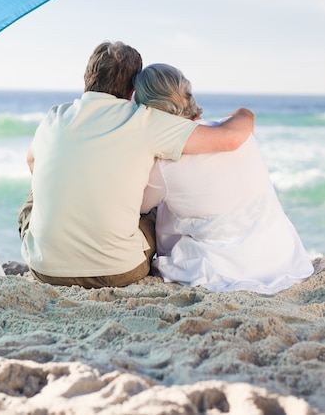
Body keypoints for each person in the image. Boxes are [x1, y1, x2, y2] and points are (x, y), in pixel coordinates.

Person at [19, 41, 254, 289]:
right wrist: (245, 114)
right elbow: (231, 138)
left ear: (86, 77)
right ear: (133, 89)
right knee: (153, 209)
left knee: (37, 191)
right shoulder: (145, 121)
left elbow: (32, 161)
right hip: (119, 271)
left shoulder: (53, 117)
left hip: (45, 269)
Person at [135, 63, 314, 294]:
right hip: (282, 255)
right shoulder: (237, 133)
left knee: (153, 208)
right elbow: (243, 116)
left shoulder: (163, 164)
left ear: (148, 110)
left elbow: (138, 206)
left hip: (224, 267)